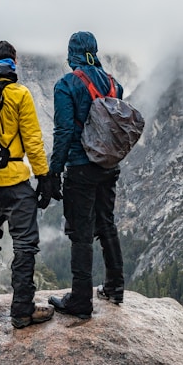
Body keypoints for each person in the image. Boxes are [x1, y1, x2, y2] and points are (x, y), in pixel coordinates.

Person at [0, 40, 56, 329]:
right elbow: (32, 140)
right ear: (13, 63)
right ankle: (21, 311)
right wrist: (44, 178)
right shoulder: (19, 94)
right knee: (24, 245)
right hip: (15, 182)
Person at [47, 31, 125, 319]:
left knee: (81, 233)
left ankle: (81, 301)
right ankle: (115, 287)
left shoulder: (66, 85)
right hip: (108, 166)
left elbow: (64, 132)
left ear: (72, 54)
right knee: (106, 223)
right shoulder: (115, 85)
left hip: (81, 168)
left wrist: (54, 171)